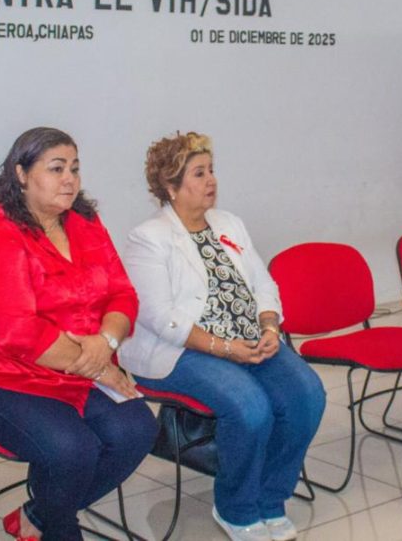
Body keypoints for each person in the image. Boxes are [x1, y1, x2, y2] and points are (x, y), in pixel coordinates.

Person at [0, 127, 157, 541]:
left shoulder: (84, 222)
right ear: (21, 174)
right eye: (56, 168)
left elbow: (122, 294)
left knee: (138, 431)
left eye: (75, 169)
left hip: (75, 372)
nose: (69, 180)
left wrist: (107, 343)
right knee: (73, 450)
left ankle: (40, 515)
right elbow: (20, 332)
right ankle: (58, 526)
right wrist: (99, 366)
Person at [119, 131, 325, 541]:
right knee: (250, 407)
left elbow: (263, 284)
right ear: (171, 186)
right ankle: (236, 508)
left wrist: (270, 327)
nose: (211, 180)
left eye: (211, 170)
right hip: (180, 350)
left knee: (307, 395)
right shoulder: (148, 238)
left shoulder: (230, 223)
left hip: (247, 339)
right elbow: (160, 317)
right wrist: (225, 348)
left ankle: (271, 499)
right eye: (199, 173)